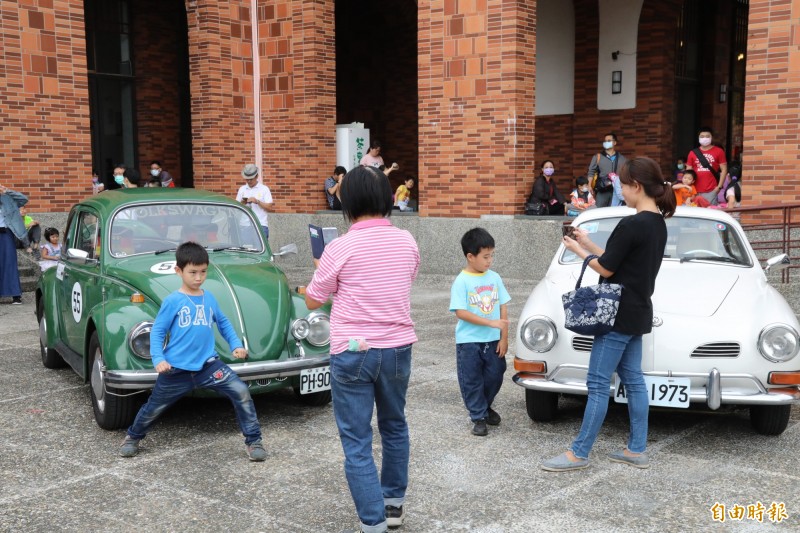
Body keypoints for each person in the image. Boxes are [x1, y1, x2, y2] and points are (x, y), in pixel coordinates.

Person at [304, 165, 419, 533]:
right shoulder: (408, 241)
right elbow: (403, 280)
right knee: (394, 426)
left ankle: (373, 523)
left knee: (357, 440)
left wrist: (319, 269)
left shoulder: (339, 247)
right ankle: (393, 505)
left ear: (348, 202)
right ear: (387, 198)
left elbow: (312, 300)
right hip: (398, 348)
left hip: (353, 351)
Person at [541, 157, 675, 472]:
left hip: (615, 313)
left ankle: (579, 453)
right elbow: (621, 262)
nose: (621, 192)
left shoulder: (632, 223)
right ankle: (636, 449)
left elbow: (607, 268)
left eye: (622, 186)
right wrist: (588, 242)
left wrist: (578, 252)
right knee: (634, 379)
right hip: (637, 310)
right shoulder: (657, 223)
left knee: (599, 382)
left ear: (636, 186)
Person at [119, 241, 266, 461]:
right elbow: (158, 332)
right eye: (193, 272)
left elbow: (223, 323)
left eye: (203, 272)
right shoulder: (173, 301)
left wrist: (236, 344)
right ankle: (133, 436)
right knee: (153, 408)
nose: (198, 277)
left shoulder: (209, 298)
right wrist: (158, 358)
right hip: (175, 371)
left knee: (241, 391)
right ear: (179, 271)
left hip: (208, 367)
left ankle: (254, 442)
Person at [449, 228, 510, 437]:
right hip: (468, 341)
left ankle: (484, 407)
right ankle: (478, 416)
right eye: (485, 256)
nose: (490, 260)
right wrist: (489, 322)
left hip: (493, 340)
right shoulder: (462, 281)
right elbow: (460, 312)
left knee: (495, 374)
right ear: (470, 256)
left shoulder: (494, 277)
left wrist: (504, 337)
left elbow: (503, 306)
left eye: (492, 255)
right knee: (471, 379)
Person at [686, 126, 727, 205]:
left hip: (711, 190)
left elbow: (724, 170)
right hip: (694, 191)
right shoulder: (692, 153)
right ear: (698, 138)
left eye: (707, 136)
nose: (705, 138)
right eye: (702, 136)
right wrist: (688, 188)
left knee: (710, 214)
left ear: (712, 138)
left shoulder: (719, 151)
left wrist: (719, 187)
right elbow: (688, 172)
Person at [0, 185, 27, 305]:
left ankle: (16, 295)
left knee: (10, 263)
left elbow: (24, 199)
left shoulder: (8, 198)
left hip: (6, 234)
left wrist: (7, 191)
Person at [587, 133, 628, 208]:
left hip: (617, 191)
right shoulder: (598, 157)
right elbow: (591, 172)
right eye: (605, 141)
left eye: (609, 140)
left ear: (615, 143)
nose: (606, 143)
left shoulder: (622, 159)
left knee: (615, 212)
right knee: (599, 210)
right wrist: (589, 185)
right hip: (602, 189)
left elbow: (626, 174)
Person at [235, 164, 274, 240]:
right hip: (244, 225)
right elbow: (236, 209)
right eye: (247, 179)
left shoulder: (264, 189)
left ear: (256, 176)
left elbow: (269, 207)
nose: (249, 181)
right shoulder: (242, 189)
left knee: (261, 251)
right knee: (246, 250)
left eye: (251, 179)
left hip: (260, 225)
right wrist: (242, 203)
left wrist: (257, 201)